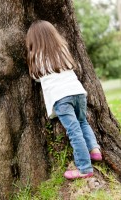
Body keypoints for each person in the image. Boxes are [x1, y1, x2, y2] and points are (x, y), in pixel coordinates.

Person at [25, 20, 102, 180]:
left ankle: (84, 168)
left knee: (74, 132)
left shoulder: (36, 57)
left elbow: (36, 78)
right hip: (78, 92)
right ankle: (94, 150)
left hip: (61, 97)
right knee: (83, 122)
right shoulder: (62, 50)